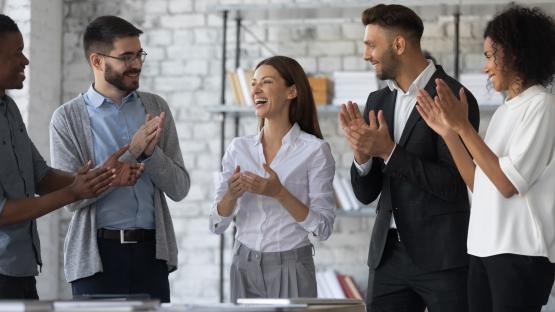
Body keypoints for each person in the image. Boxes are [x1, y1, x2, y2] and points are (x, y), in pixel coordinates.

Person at [339, 4, 480, 311]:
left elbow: (454, 184)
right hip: (386, 258)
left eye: (371, 45)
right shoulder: (377, 101)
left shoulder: (454, 98)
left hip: (443, 259)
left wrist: (389, 151)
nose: (366, 55)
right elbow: (366, 195)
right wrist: (362, 157)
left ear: (399, 45)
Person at [416, 5, 555, 312]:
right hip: (483, 248)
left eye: (491, 56)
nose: (486, 67)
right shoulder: (506, 111)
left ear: (516, 54)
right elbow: (481, 184)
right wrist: (450, 134)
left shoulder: (542, 106)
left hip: (520, 252)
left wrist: (464, 127)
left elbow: (507, 184)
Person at [0, 14, 142, 299]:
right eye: (16, 53)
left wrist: (105, 176)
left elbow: (42, 177)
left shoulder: (10, 110)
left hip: (23, 267)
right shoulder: (66, 116)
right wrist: (74, 192)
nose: (25, 60)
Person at [50, 15, 190, 302]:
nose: (137, 64)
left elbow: (180, 188)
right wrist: (133, 152)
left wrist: (151, 154)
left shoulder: (156, 107)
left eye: (139, 54)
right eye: (126, 57)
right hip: (96, 260)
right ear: (97, 61)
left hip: (152, 256)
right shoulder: (66, 118)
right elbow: (70, 199)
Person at [209, 55, 335, 302]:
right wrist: (231, 195)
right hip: (243, 264)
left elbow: (323, 228)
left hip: (291, 266)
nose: (255, 89)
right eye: (253, 82)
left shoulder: (315, 150)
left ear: (291, 92)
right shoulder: (238, 149)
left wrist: (280, 193)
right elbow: (216, 224)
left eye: (266, 82)